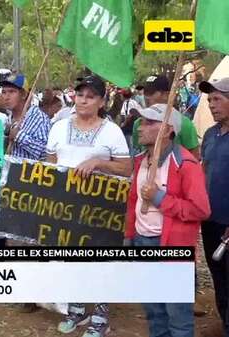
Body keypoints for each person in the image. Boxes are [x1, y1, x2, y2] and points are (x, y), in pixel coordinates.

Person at [46, 76, 132, 337]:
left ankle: (101, 317)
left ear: (102, 102)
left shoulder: (111, 131)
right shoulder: (59, 127)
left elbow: (127, 168)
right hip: (66, 209)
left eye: (91, 96)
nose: (83, 99)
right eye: (80, 94)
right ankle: (77, 310)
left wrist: (99, 162)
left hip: (101, 210)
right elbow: (49, 165)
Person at [125, 104, 210, 337]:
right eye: (141, 122)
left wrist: (160, 198)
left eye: (149, 123)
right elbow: (133, 202)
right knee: (154, 311)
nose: (140, 128)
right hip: (143, 244)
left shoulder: (186, 164)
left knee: (178, 316)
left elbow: (200, 209)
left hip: (173, 249)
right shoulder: (141, 160)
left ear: (168, 129)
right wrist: (129, 236)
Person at [199, 78, 229, 337]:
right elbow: (203, 171)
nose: (211, 105)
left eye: (218, 99)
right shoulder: (209, 135)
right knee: (218, 276)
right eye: (209, 100)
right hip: (210, 221)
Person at [131, 75, 200, 159]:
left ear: (166, 95)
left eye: (151, 92)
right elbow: (136, 154)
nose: (146, 97)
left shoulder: (184, 124)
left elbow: (194, 158)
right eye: (145, 92)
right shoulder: (138, 124)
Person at [0, 73, 51, 160]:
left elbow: (45, 154)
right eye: (4, 92)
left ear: (23, 94)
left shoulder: (39, 119)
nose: (6, 97)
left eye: (11, 92)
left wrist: (19, 136)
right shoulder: (8, 119)